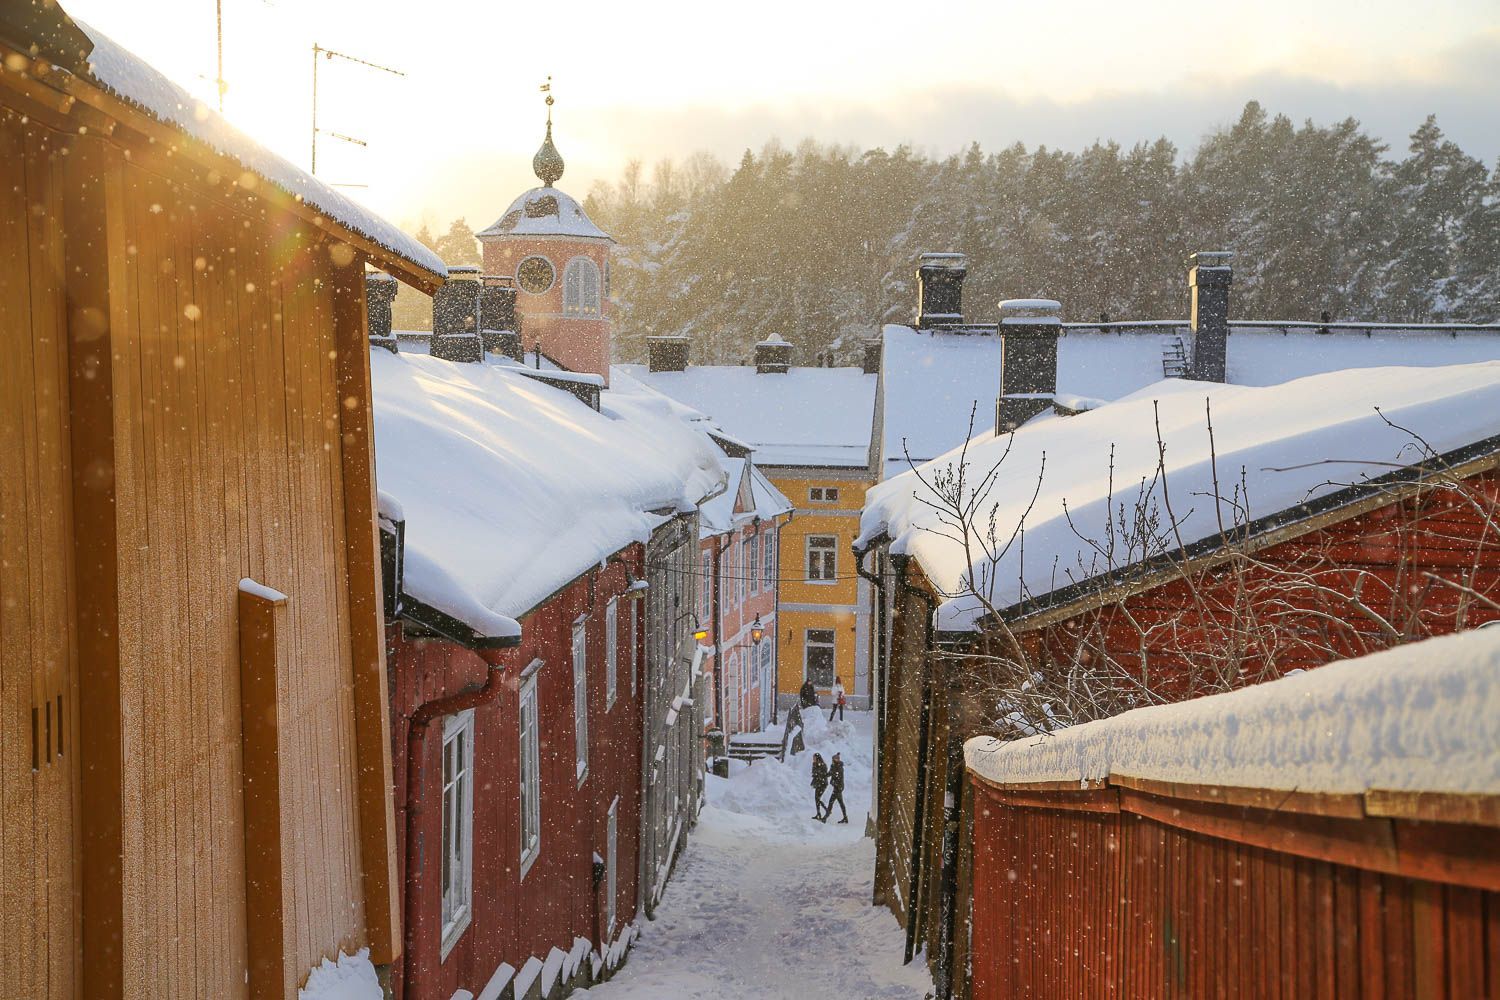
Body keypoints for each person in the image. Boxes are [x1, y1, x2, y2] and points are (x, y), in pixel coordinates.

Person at [823, 752, 848, 824]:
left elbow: (836, 775)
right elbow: (830, 773)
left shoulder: (839, 767)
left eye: (835, 759)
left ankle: (825, 818)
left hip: (838, 787)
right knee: (841, 803)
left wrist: (832, 781)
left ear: (838, 759)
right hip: (837, 787)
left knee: (831, 802)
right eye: (833, 759)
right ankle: (845, 818)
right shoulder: (834, 766)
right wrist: (824, 775)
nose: (833, 760)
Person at [810, 753, 829, 820]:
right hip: (818, 783)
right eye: (813, 758)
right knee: (817, 798)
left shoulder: (823, 765)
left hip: (823, 784)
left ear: (817, 758)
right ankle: (819, 813)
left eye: (814, 758)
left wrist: (817, 773)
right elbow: (814, 773)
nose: (813, 759)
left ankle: (826, 810)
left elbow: (823, 774)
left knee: (817, 798)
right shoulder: (814, 764)